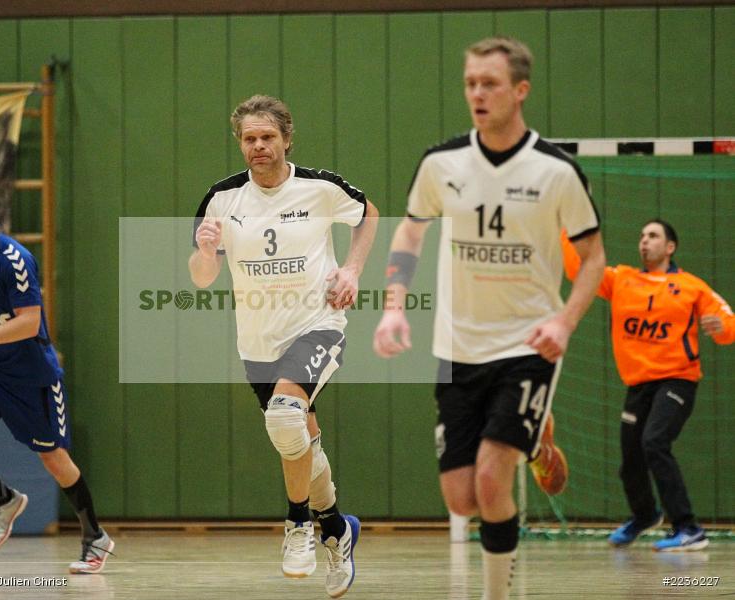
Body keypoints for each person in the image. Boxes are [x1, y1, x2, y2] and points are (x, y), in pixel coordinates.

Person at [372, 37, 606, 600]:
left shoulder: (556, 171)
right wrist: (393, 307)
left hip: (527, 345)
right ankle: (538, 441)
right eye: (470, 83)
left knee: (490, 479)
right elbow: (409, 233)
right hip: (457, 346)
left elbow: (594, 257)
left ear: (520, 90)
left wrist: (564, 323)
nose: (477, 93)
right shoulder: (441, 163)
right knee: (462, 497)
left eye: (490, 83)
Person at [189, 94, 378, 598]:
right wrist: (205, 251)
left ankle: (297, 523)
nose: (258, 146)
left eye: (267, 136)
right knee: (298, 436)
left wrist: (353, 270)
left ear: (286, 139)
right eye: (249, 138)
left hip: (318, 324)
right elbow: (203, 277)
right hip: (258, 341)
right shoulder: (222, 199)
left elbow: (368, 214)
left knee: (285, 417)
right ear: (240, 143)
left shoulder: (319, 187)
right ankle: (335, 527)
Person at [0, 175, 114, 574]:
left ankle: (95, 536)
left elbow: (29, 323)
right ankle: (4, 499)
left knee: (54, 459)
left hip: (31, 373)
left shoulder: (14, 259)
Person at [562, 220, 735, 551]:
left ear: (670, 247)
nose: (644, 241)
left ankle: (689, 528)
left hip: (677, 380)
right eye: (641, 236)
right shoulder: (622, 279)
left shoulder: (691, 286)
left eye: (653, 236)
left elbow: (727, 321)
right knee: (631, 458)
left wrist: (722, 328)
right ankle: (644, 516)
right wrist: (566, 224)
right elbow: (577, 268)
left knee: (654, 442)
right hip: (639, 384)